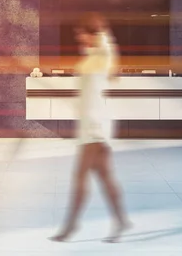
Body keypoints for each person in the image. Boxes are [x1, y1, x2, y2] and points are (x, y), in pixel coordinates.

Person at [50, 12, 130, 243]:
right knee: (105, 176)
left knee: (80, 175)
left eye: (81, 33)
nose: (78, 38)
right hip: (90, 123)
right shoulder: (94, 54)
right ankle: (121, 220)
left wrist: (100, 31)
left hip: (95, 125)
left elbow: (106, 46)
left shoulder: (104, 52)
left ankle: (70, 226)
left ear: (93, 34)